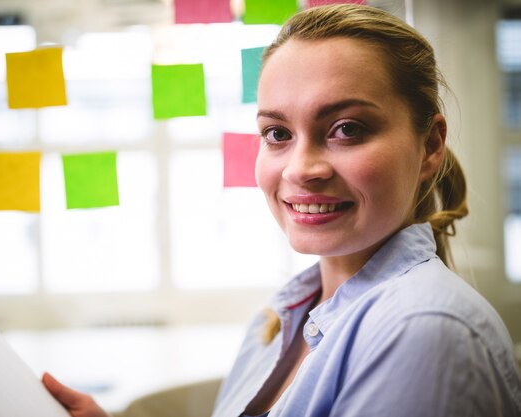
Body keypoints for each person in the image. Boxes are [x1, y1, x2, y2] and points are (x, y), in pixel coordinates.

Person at [41, 4, 521, 417]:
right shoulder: (279, 321)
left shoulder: (422, 331)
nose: (301, 168)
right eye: (277, 133)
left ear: (431, 146)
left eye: (347, 128)